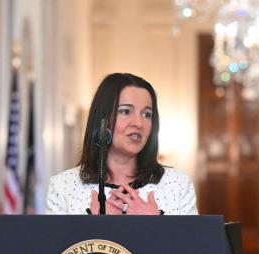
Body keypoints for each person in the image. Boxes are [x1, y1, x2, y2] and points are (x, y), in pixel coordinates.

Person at [46, 73, 197, 215]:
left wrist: (154, 226)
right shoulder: (62, 187)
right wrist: (92, 225)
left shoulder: (178, 185)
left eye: (147, 114)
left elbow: (192, 243)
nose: (138, 123)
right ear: (102, 119)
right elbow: (56, 243)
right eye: (125, 111)